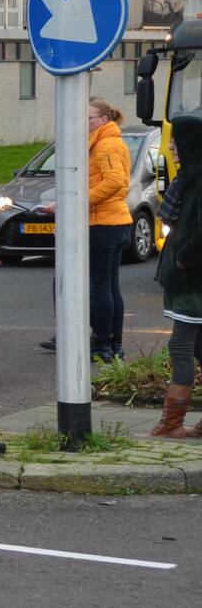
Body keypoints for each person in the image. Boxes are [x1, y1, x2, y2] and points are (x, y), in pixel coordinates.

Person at [38, 99, 133, 361]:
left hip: (104, 223)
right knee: (109, 286)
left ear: (103, 120)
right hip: (113, 222)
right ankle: (112, 345)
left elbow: (114, 181)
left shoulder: (106, 144)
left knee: (102, 287)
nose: (84, 122)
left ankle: (103, 345)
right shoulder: (105, 141)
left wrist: (77, 201)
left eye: (88, 117)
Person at [151, 113, 202, 438]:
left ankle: (171, 425)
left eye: (176, 141)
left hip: (193, 282)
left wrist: (183, 260)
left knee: (181, 348)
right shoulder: (189, 177)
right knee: (199, 349)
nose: (171, 147)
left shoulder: (198, 181)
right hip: (189, 279)